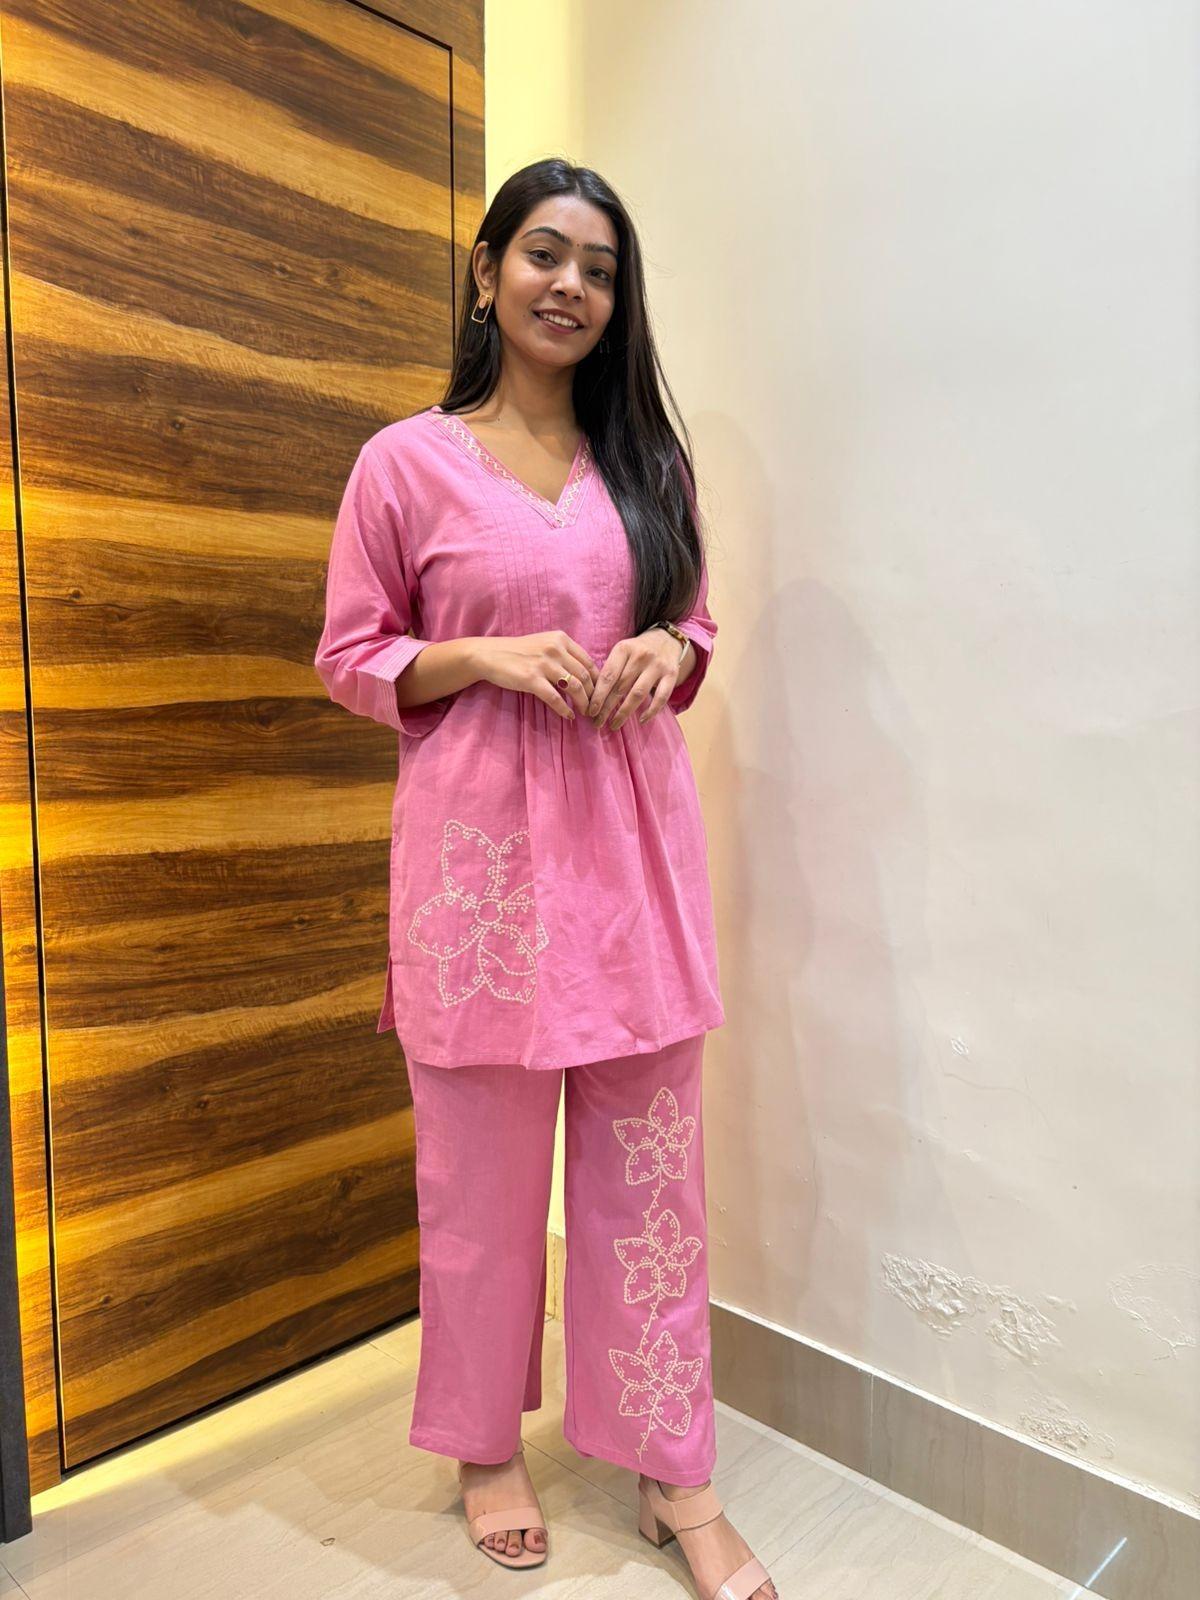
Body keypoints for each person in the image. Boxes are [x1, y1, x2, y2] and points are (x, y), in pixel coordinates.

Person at [314, 157, 778, 1600]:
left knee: (654, 1185)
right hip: (479, 884)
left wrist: (669, 649)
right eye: (545, 255)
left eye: (601, 269)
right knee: (481, 1186)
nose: (572, 285)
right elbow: (351, 654)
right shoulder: (405, 464)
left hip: (632, 867)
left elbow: (693, 623)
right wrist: (475, 656)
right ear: (487, 271)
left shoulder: (649, 464)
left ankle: (674, 1473)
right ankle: (483, 1448)